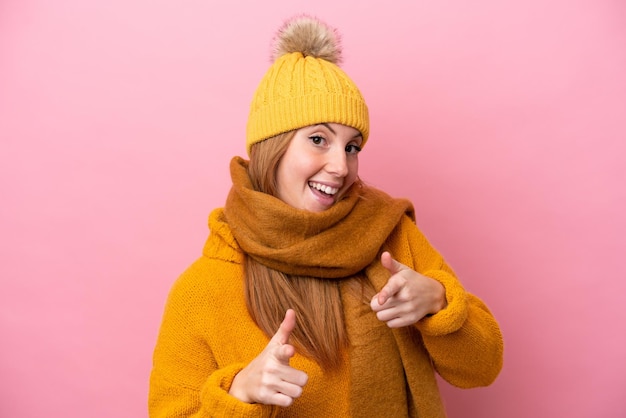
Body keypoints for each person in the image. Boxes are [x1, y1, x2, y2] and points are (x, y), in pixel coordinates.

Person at [149, 14, 503, 418]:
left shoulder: (390, 237)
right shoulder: (203, 288)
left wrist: (439, 303)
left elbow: (483, 368)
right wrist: (239, 394)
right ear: (273, 146)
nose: (341, 166)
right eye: (318, 140)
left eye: (352, 147)